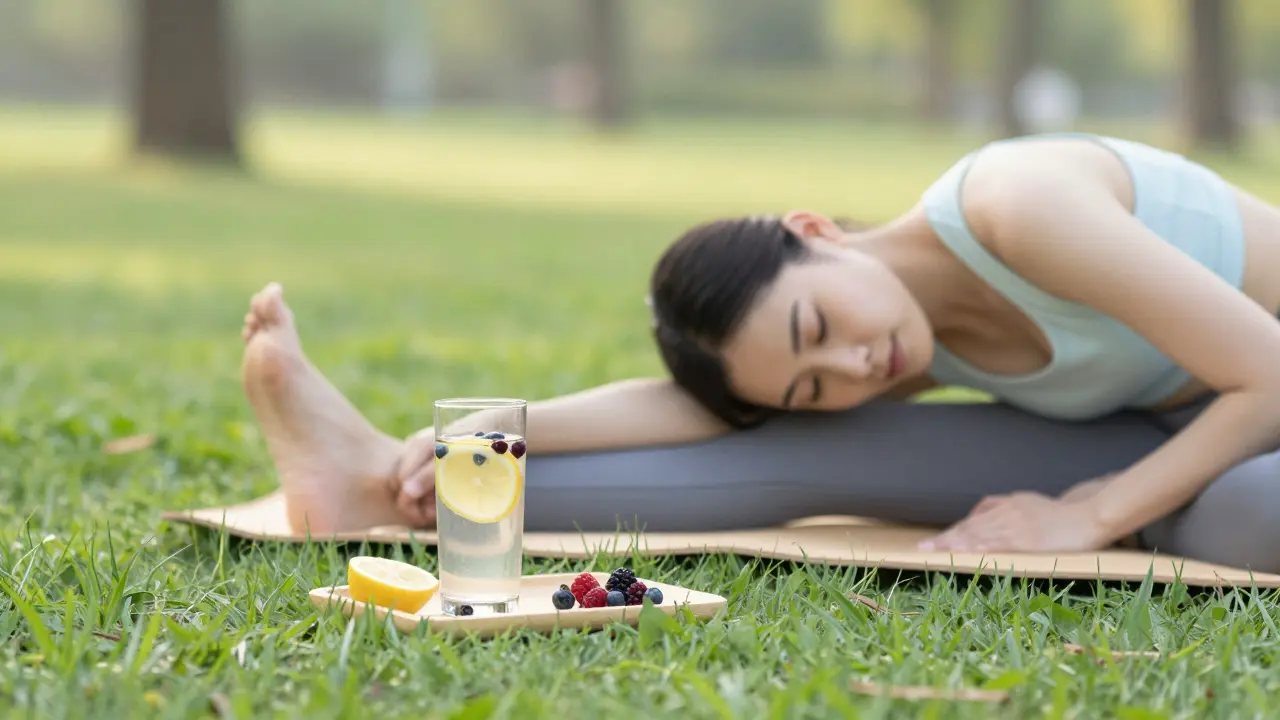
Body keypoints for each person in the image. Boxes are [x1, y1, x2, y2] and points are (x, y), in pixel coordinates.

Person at [238, 132, 1280, 573]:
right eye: (810, 383)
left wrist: (1088, 516)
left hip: (1258, 407)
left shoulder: (1020, 205)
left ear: (814, 229)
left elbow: (1266, 371)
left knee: (1241, 517)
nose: (856, 369)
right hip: (1158, 430)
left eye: (816, 330)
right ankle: (379, 489)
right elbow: (701, 410)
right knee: (798, 453)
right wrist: (490, 431)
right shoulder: (886, 336)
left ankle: (1152, 509)